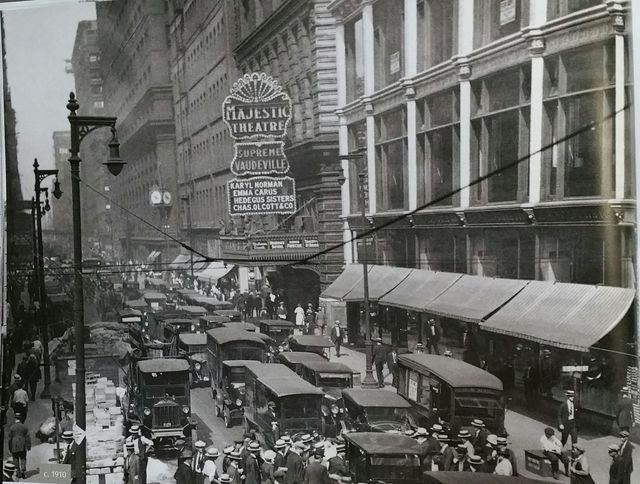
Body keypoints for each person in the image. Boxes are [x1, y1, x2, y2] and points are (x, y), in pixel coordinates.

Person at [8, 414, 30, 479]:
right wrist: (28, 445)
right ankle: (23, 469)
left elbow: (10, 439)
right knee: (23, 457)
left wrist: (10, 447)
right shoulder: (24, 427)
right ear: (21, 419)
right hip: (22, 444)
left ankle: (18, 472)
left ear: (15, 419)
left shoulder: (12, 427)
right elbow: (27, 437)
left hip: (14, 445)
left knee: (15, 458)